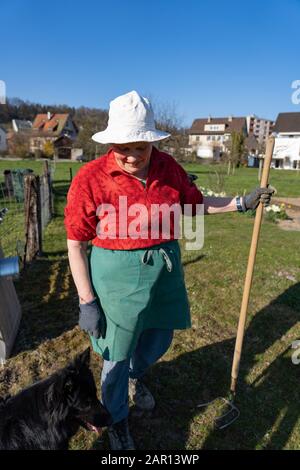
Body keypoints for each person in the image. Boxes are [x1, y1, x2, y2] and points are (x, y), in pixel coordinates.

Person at [64, 90, 274, 450]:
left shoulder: (168, 168)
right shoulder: (91, 178)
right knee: (116, 353)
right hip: (115, 275)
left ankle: (135, 375)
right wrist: (87, 300)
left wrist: (240, 203)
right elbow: (75, 243)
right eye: (123, 147)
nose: (131, 156)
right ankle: (116, 419)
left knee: (159, 338)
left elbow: (193, 205)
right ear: (112, 142)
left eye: (139, 147)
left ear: (151, 143)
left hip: (164, 268)